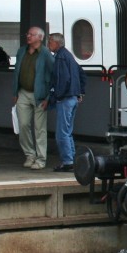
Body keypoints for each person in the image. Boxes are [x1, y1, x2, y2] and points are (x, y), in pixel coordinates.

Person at [13, 26, 55, 170]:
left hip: (40, 96)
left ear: (40, 37)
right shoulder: (21, 51)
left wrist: (48, 97)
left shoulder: (46, 54)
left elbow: (53, 76)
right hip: (23, 92)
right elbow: (16, 73)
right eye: (28, 33)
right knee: (23, 124)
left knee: (40, 128)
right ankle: (30, 154)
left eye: (32, 34)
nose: (28, 36)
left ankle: (41, 159)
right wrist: (15, 93)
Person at [47, 32, 86, 172]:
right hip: (73, 98)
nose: (48, 43)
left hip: (65, 98)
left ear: (57, 43)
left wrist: (57, 95)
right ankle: (72, 159)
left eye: (50, 41)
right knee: (68, 131)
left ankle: (68, 161)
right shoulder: (68, 56)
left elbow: (62, 80)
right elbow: (81, 73)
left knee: (61, 133)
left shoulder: (60, 58)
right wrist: (80, 92)